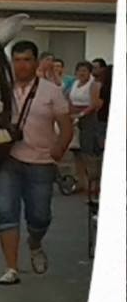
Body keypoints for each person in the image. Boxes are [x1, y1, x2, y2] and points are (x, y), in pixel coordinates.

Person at [0, 40, 73, 285]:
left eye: (27, 60)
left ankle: (35, 242)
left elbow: (66, 125)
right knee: (6, 213)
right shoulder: (1, 88)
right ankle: (11, 268)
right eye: (17, 60)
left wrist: (60, 147)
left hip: (41, 161)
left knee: (40, 216)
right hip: (6, 160)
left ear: (35, 62)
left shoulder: (51, 91)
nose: (21, 65)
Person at [68, 60, 104, 200]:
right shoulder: (75, 84)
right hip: (74, 117)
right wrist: (71, 115)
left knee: (88, 151)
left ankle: (93, 183)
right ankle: (80, 181)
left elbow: (95, 104)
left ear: (89, 72)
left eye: (85, 71)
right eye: (79, 70)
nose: (81, 73)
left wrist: (81, 115)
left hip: (88, 117)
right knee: (76, 152)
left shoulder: (93, 84)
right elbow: (70, 100)